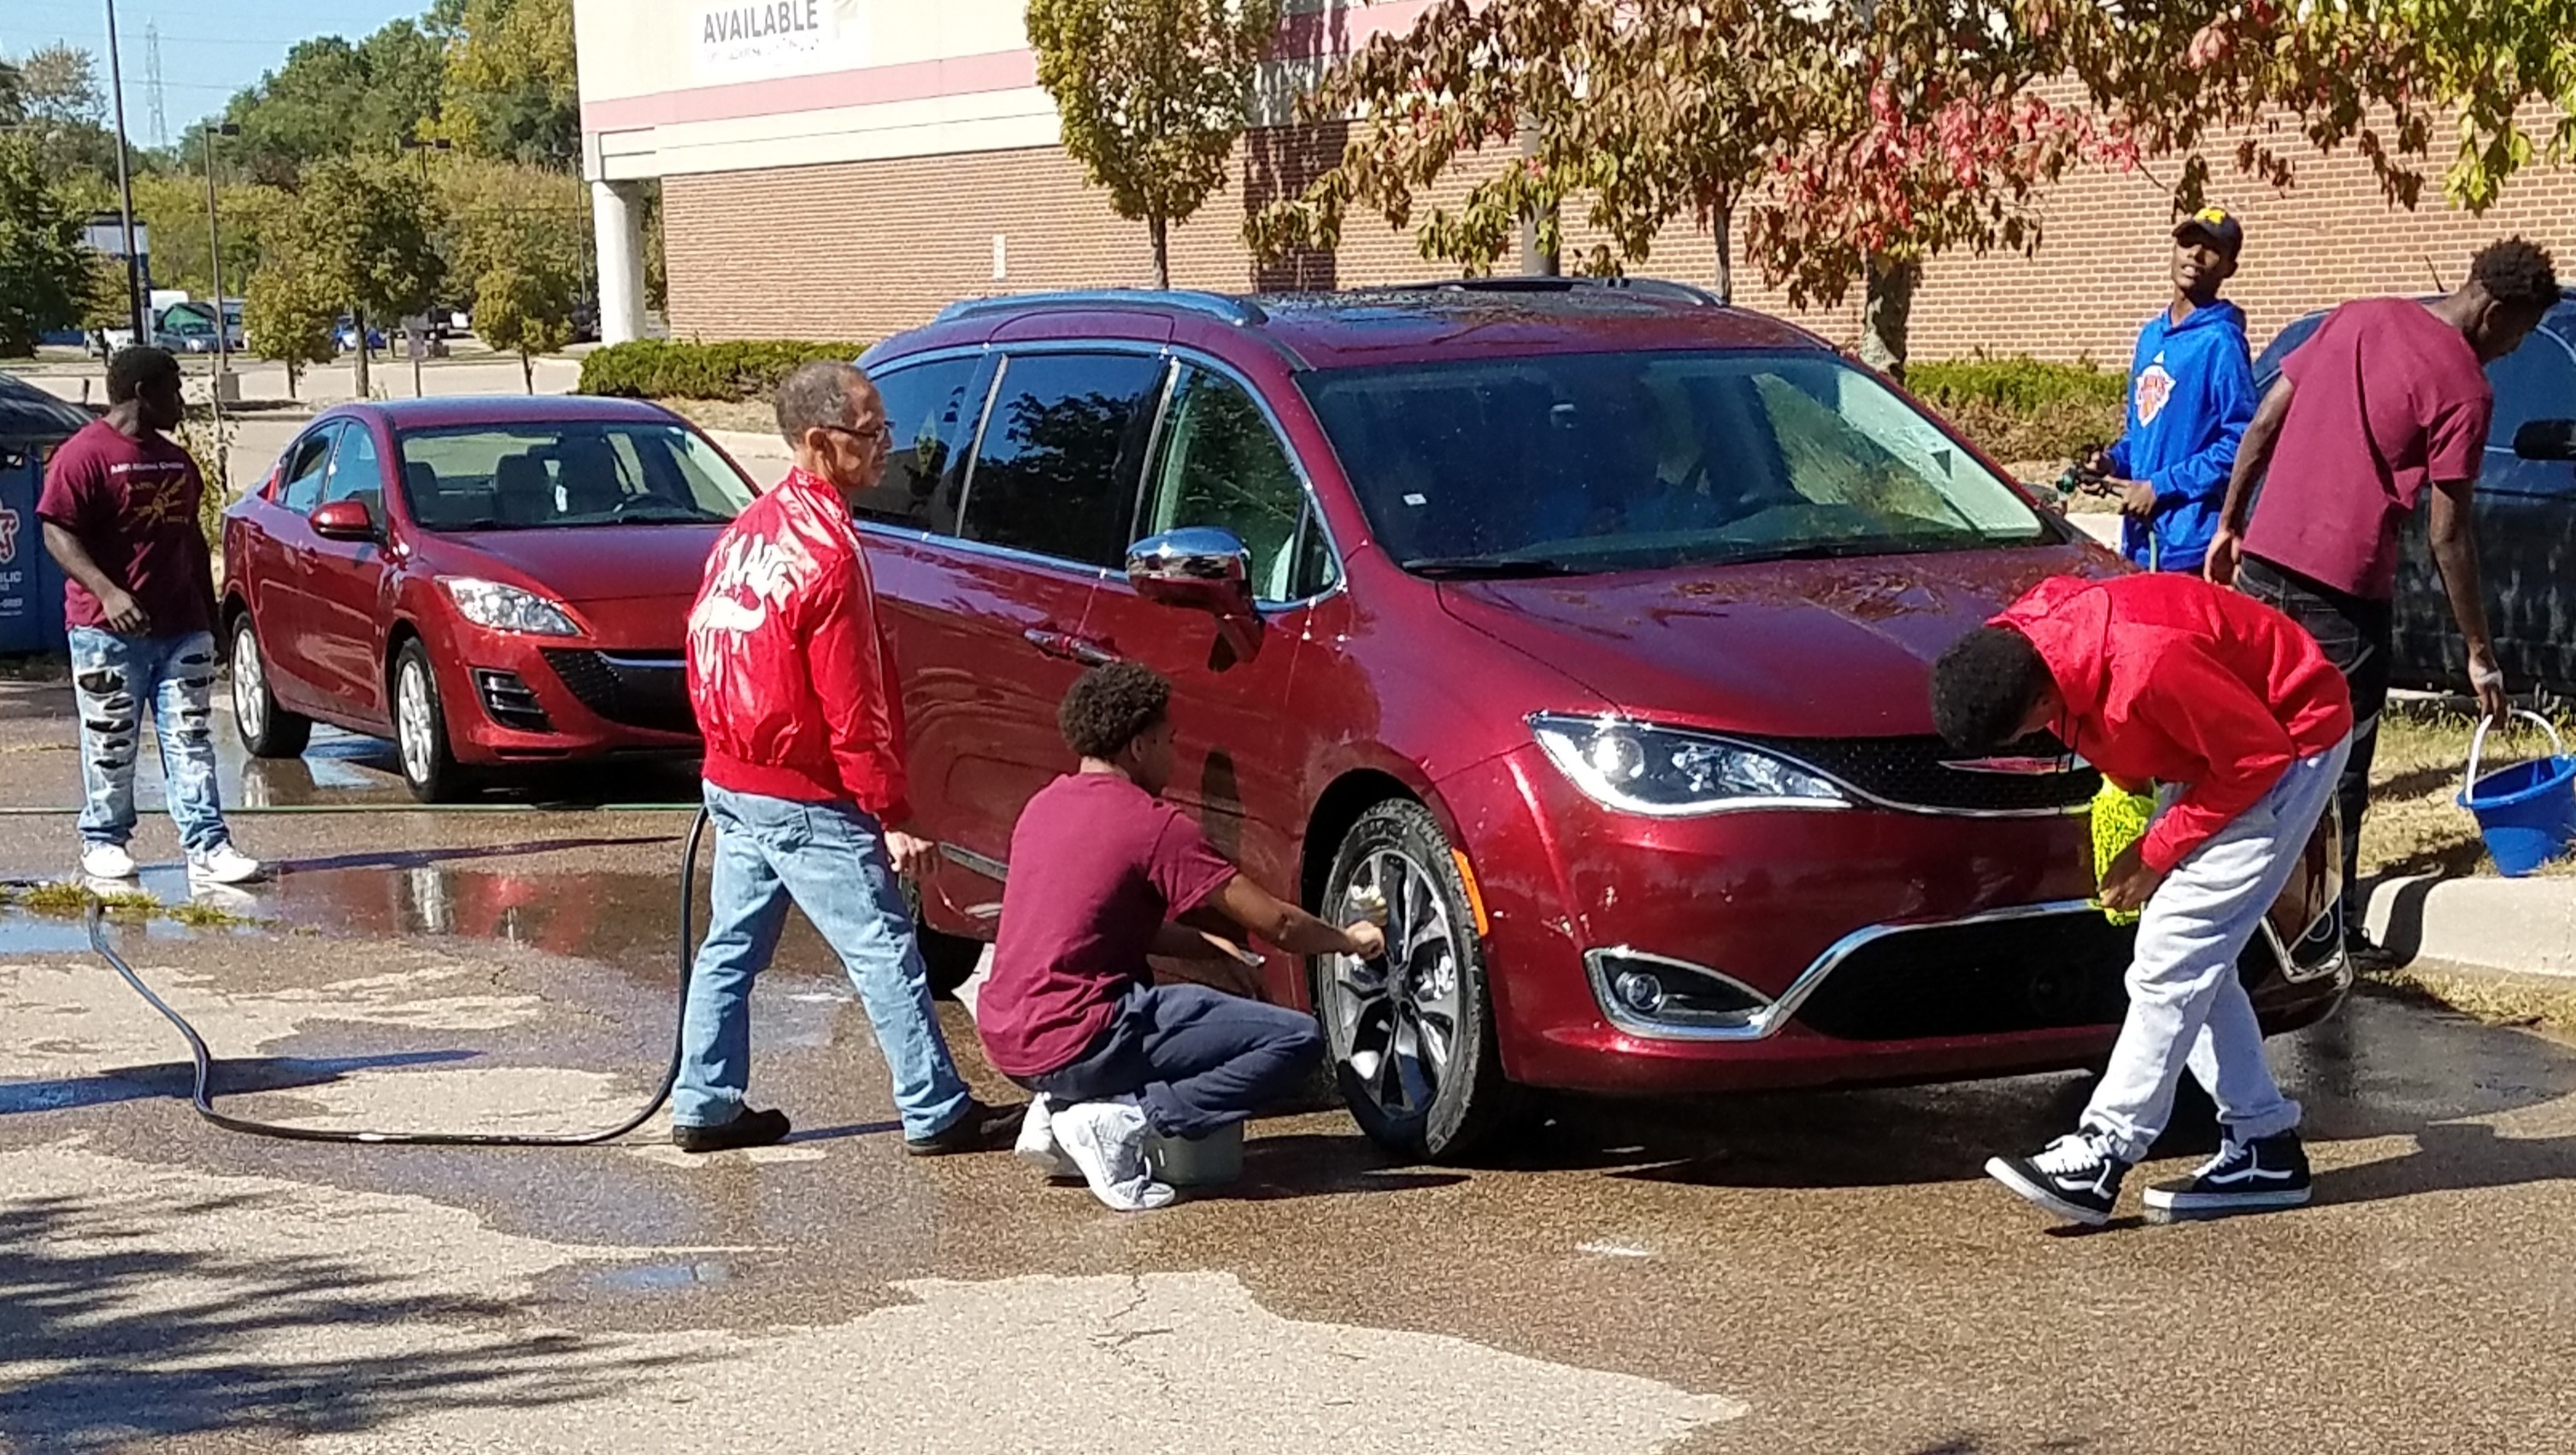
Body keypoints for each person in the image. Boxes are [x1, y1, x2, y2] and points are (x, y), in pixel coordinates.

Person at [1930, 572, 2353, 1226]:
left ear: (2040, 698)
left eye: (2023, 734)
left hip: (2290, 738)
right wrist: (2125, 803)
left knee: (2173, 949)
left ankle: (2106, 1147)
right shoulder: (2031, 643)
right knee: (2188, 955)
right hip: (2217, 747)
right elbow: (2116, 729)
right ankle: (2264, 1142)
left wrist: (2155, 854)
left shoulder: (2148, 664)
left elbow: (2254, 760)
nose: (2034, 741)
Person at [676, 360, 1016, 1156]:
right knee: (884, 947)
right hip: (802, 788)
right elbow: (851, 701)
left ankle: (705, 1099)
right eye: (873, 432)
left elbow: (706, 649)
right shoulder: (830, 552)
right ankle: (935, 1108)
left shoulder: (744, 533)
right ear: (822, 444)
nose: (889, 446)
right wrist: (890, 812)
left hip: (733, 776)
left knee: (731, 945)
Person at [2208, 237, 2559, 955]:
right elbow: (2449, 532)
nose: (2512, 349)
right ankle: (2319, 935)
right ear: (2493, 309)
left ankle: (2231, 907)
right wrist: (2479, 654)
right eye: (2519, 333)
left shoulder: (2361, 315)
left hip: (2263, 566)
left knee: (2250, 746)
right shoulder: (2464, 387)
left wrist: (2230, 521)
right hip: (2342, 595)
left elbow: (2268, 417)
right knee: (2335, 764)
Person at [976, 663, 1385, 1211]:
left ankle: (1057, 1112)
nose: (1174, 753)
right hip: (1081, 1036)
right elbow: (1279, 924)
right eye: (1169, 740)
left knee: (1163, 1009)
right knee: (1293, 1040)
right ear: (1140, 745)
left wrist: (1206, 946)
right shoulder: (1155, 825)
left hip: (1010, 1038)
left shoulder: (1043, 806)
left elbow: (1091, 924)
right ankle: (1125, 1121)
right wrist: (1350, 939)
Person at [38, 346, 261, 886]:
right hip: (105, 631)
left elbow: (188, 537)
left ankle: (208, 846)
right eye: (173, 388)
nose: (181, 401)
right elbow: (55, 531)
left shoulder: (176, 461)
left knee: (190, 737)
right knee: (111, 741)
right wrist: (108, 592)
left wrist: (212, 622)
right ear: (142, 392)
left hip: (181, 627)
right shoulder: (83, 455)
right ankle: (103, 840)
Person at [2083, 206, 2259, 574]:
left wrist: (2161, 487)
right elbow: (2142, 434)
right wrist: (2112, 463)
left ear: (2229, 267)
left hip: (2188, 546)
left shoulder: (2221, 342)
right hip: (2140, 542)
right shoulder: (2150, 336)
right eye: (2187, 242)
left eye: (2210, 248)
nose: (2195, 255)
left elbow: (2241, 441)